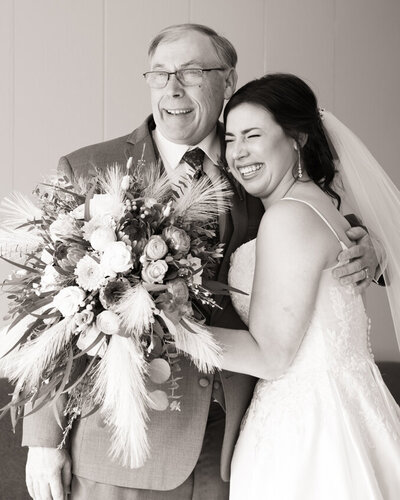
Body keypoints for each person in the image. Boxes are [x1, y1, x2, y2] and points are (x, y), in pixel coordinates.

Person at [21, 26, 380, 500]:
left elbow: (321, 225)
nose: (173, 89)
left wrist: (368, 248)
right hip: (122, 446)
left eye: (191, 73)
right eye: (160, 74)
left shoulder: (255, 160)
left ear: (227, 82)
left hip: (239, 441)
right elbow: (48, 307)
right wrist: (43, 441)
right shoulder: (89, 166)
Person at [177, 73, 400, 499]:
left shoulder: (287, 217)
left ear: (296, 138)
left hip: (307, 436)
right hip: (346, 410)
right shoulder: (320, 207)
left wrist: (170, 329)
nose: (238, 152)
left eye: (254, 135)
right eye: (231, 137)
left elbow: (272, 357)